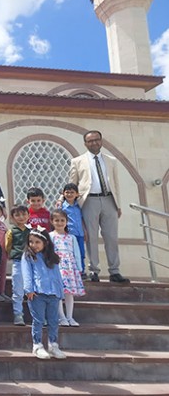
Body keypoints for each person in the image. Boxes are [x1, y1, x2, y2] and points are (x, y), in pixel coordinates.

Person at [69, 130, 129, 283]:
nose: (94, 143)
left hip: (109, 200)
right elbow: (72, 183)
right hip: (89, 201)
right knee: (91, 238)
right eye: (90, 141)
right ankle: (94, 270)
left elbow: (115, 184)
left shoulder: (111, 160)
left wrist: (118, 205)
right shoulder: (78, 161)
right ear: (85, 144)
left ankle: (114, 271)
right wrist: (64, 200)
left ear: (101, 141)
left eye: (97, 140)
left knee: (111, 237)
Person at [22, 227, 66, 360]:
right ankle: (37, 345)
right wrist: (28, 289)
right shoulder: (28, 256)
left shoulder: (52, 258)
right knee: (39, 320)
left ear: (45, 243)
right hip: (37, 294)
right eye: (31, 242)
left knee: (53, 320)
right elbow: (27, 273)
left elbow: (57, 275)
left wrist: (60, 292)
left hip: (53, 293)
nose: (33, 245)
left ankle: (53, 345)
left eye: (37, 242)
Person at [49, 210, 85, 327]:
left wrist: (79, 268)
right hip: (56, 267)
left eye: (62, 220)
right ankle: (62, 317)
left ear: (66, 222)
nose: (60, 223)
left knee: (69, 293)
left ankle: (70, 316)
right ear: (52, 221)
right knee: (59, 293)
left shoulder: (71, 237)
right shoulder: (50, 236)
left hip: (70, 268)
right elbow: (48, 253)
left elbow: (77, 253)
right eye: (57, 220)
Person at [5, 205, 30, 326]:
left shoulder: (32, 231)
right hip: (18, 262)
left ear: (28, 215)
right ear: (13, 217)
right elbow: (8, 246)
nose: (21, 217)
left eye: (23, 214)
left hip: (31, 263)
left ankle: (37, 314)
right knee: (18, 289)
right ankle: (18, 314)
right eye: (17, 215)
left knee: (32, 289)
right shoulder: (11, 231)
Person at [62, 183, 86, 276]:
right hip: (69, 234)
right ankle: (70, 272)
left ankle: (81, 271)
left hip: (79, 234)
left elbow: (82, 219)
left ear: (77, 194)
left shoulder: (79, 206)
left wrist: (85, 231)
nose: (69, 194)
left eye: (72, 192)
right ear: (63, 193)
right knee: (69, 254)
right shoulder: (62, 207)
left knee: (81, 253)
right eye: (67, 192)